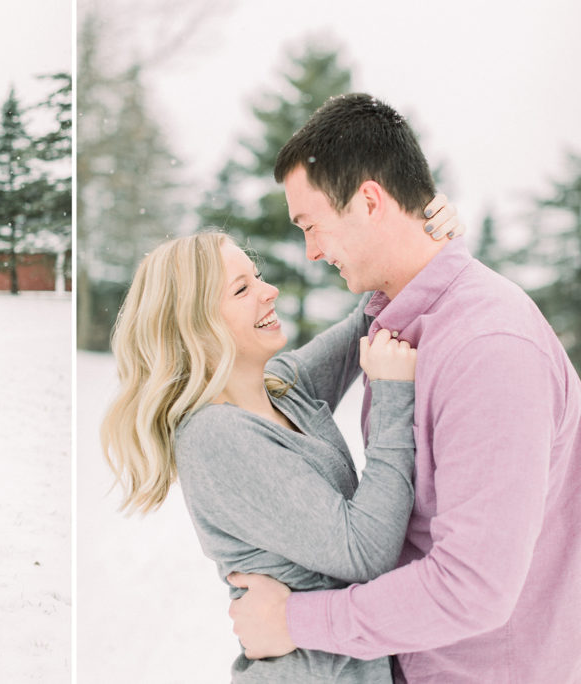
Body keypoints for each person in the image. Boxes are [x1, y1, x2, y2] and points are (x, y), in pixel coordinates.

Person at [228, 93, 581, 683]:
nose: (311, 251)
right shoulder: (408, 320)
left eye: (311, 225)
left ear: (369, 200)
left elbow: (474, 588)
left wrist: (295, 620)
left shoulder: (488, 348)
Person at [101, 215, 455, 681]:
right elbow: (365, 551)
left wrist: (427, 236)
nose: (270, 292)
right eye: (242, 289)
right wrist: (391, 395)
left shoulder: (283, 386)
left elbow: (371, 318)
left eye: (259, 277)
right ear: (197, 325)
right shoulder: (215, 437)